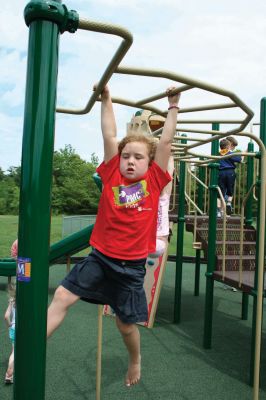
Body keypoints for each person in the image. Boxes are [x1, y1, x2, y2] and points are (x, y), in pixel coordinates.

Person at [47, 85, 181, 387]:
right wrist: (105, 100)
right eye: (126, 156)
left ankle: (135, 360)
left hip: (131, 267)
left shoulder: (155, 180)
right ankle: (30, 347)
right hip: (100, 257)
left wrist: (172, 107)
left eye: (138, 157)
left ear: (149, 163)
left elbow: (167, 142)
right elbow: (109, 136)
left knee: (125, 324)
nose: (130, 161)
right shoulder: (112, 175)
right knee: (62, 295)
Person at [217, 138, 241, 217]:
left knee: (220, 193)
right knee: (230, 190)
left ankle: (219, 212)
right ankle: (229, 203)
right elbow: (238, 159)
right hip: (230, 172)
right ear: (228, 146)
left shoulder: (218, 153)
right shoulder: (229, 152)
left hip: (220, 173)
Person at [4, 281, 16, 384]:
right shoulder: (26, 302)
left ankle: (9, 373)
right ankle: (9, 372)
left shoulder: (12, 301)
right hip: (22, 330)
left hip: (13, 328)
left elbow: (6, 316)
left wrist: (10, 326)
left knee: (14, 350)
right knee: (16, 352)